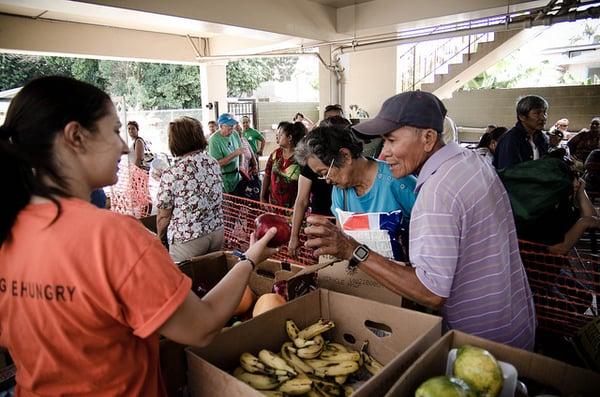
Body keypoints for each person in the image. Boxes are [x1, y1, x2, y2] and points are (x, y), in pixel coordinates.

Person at [0, 76, 278, 395]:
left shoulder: (10, 229)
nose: (123, 146)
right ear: (75, 136)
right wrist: (250, 258)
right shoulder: (112, 236)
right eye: (115, 130)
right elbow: (201, 326)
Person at [304, 91, 536, 350]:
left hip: (482, 341)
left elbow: (430, 292)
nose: (383, 154)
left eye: (391, 140)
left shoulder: (436, 193)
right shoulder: (471, 162)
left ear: (428, 138)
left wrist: (351, 249)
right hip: (514, 320)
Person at [295, 125, 416, 221]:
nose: (327, 180)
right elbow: (342, 235)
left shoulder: (399, 181)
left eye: (325, 172)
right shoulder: (340, 190)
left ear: (345, 156)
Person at [156, 116, 225, 262]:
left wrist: (159, 237)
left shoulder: (173, 172)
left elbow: (164, 215)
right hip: (217, 231)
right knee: (212, 279)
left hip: (188, 238)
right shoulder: (213, 163)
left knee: (184, 282)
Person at [493, 95, 549, 170]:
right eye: (537, 113)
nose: (543, 118)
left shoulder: (541, 138)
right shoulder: (511, 140)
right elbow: (509, 174)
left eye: (544, 113)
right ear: (522, 117)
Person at [260, 121, 306, 208]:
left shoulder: (301, 158)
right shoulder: (275, 154)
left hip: (294, 208)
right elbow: (267, 175)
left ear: (289, 138)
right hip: (274, 206)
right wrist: (262, 197)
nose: (278, 137)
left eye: (281, 135)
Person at [208, 113, 244, 194]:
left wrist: (241, 165)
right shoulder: (214, 140)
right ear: (221, 126)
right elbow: (216, 163)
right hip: (224, 179)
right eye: (229, 126)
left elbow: (241, 151)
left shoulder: (234, 134)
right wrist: (234, 154)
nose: (231, 129)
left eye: (232, 126)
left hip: (237, 177)